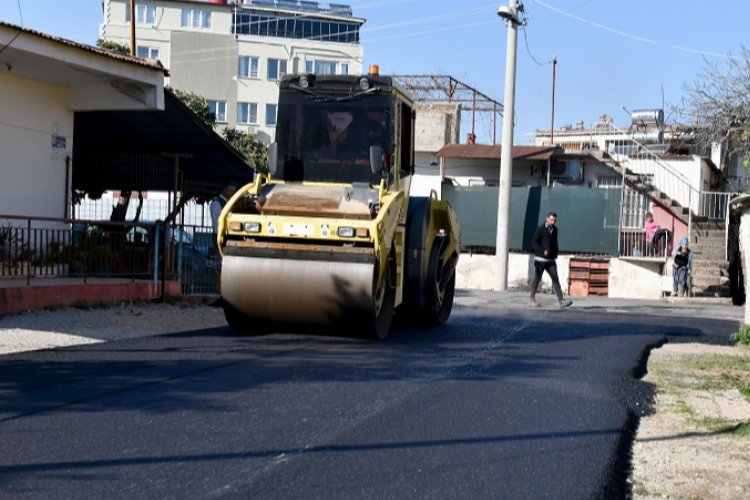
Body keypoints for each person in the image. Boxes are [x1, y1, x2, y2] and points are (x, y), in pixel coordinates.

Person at [530, 212, 573, 308]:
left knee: (555, 279)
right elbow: (534, 242)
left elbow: (554, 243)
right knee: (537, 278)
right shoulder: (541, 229)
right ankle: (532, 298)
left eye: (555, 220)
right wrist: (542, 250)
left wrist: (555, 253)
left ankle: (561, 301)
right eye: (552, 220)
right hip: (540, 260)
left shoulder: (555, 230)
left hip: (550, 261)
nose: (553, 222)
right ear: (547, 219)